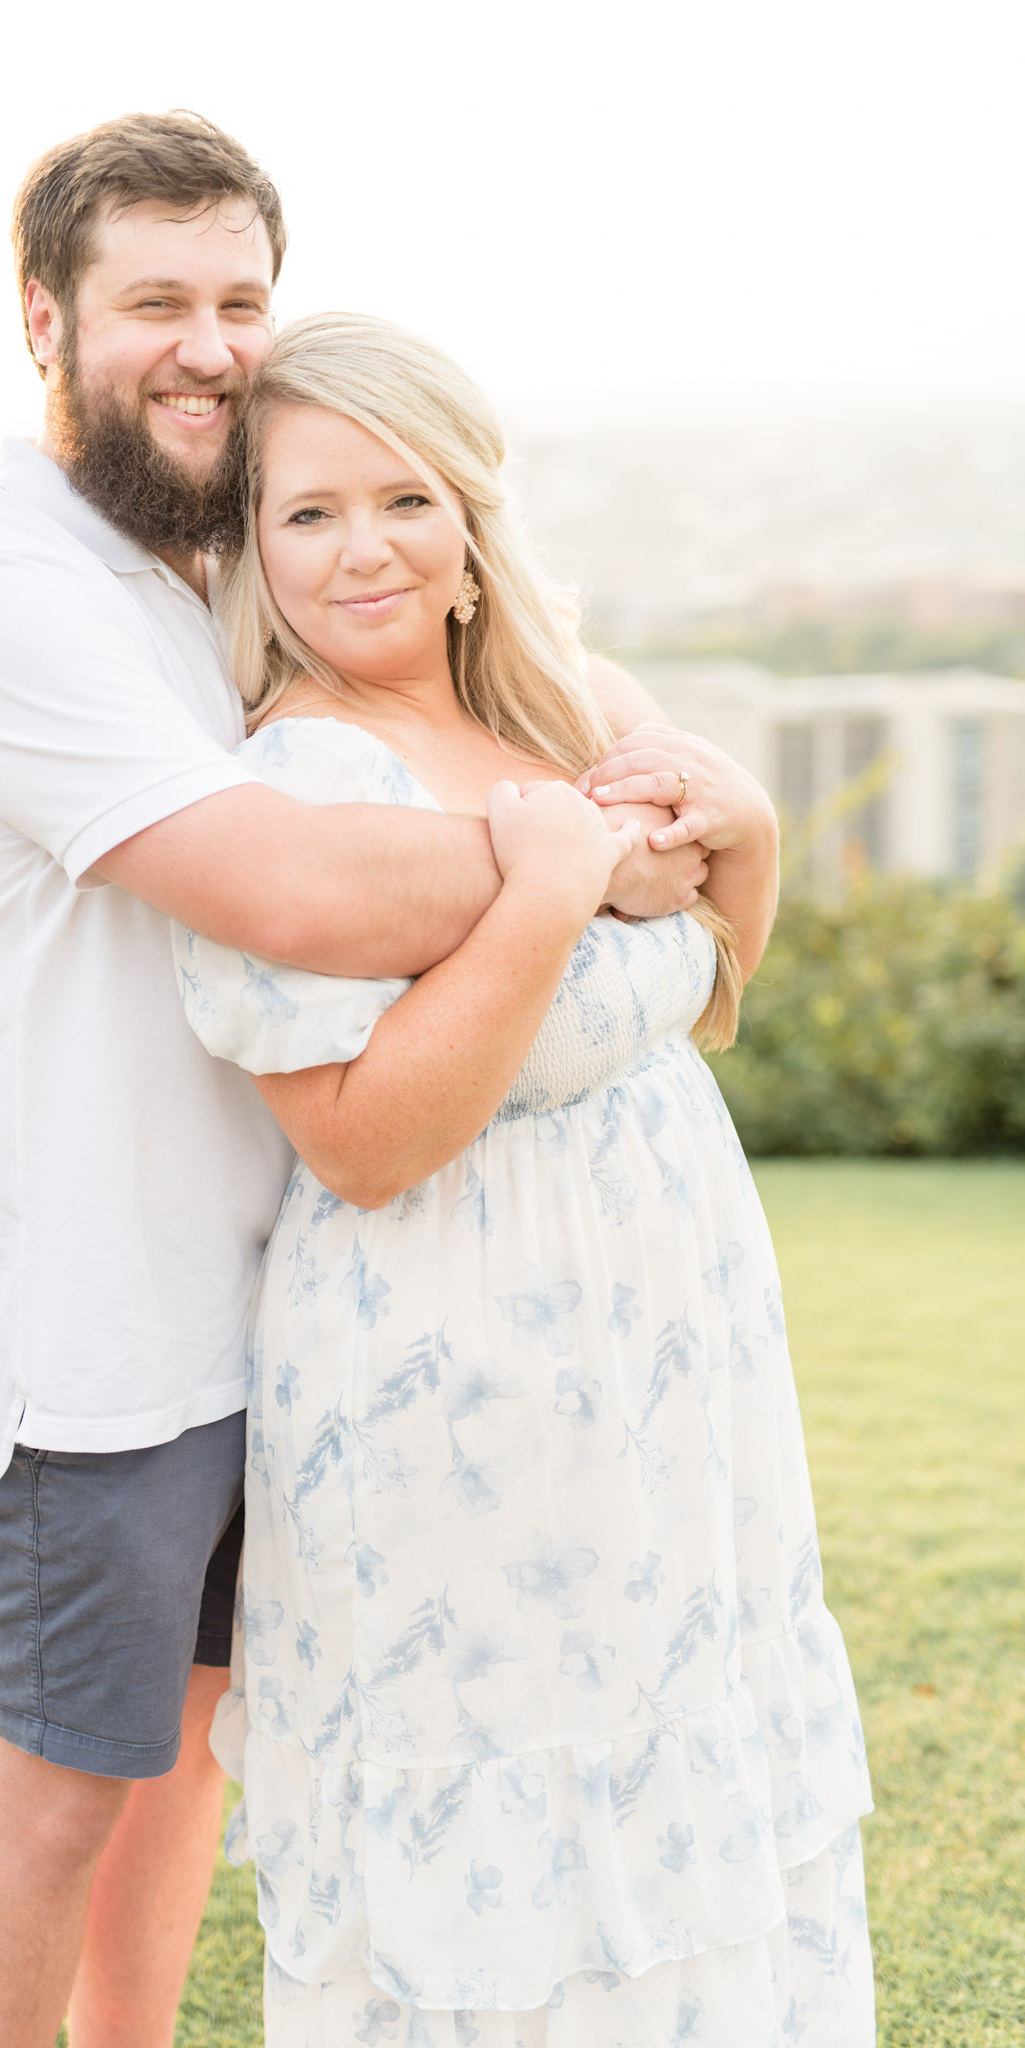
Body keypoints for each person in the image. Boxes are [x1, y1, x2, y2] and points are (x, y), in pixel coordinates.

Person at [0, 114, 719, 2048]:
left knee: (186, 1770)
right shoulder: (5, 591)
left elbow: (496, 672)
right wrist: (585, 853)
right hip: (77, 1331)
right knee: (63, 1793)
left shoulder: (201, 562)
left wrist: (639, 791)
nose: (206, 346)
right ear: (42, 320)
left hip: (264, 1303)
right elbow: (300, 886)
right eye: (151, 301)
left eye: (240, 300)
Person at [172, 313, 875, 2046]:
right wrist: (553, 888)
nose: (362, 551)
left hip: (673, 1346)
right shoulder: (299, 781)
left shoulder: (574, 707)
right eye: (308, 512)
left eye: (403, 499)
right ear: (253, 545)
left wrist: (751, 846)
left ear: (472, 521)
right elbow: (363, 1142)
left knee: (679, 1743)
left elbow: (704, 1004)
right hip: (457, 1382)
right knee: (502, 1805)